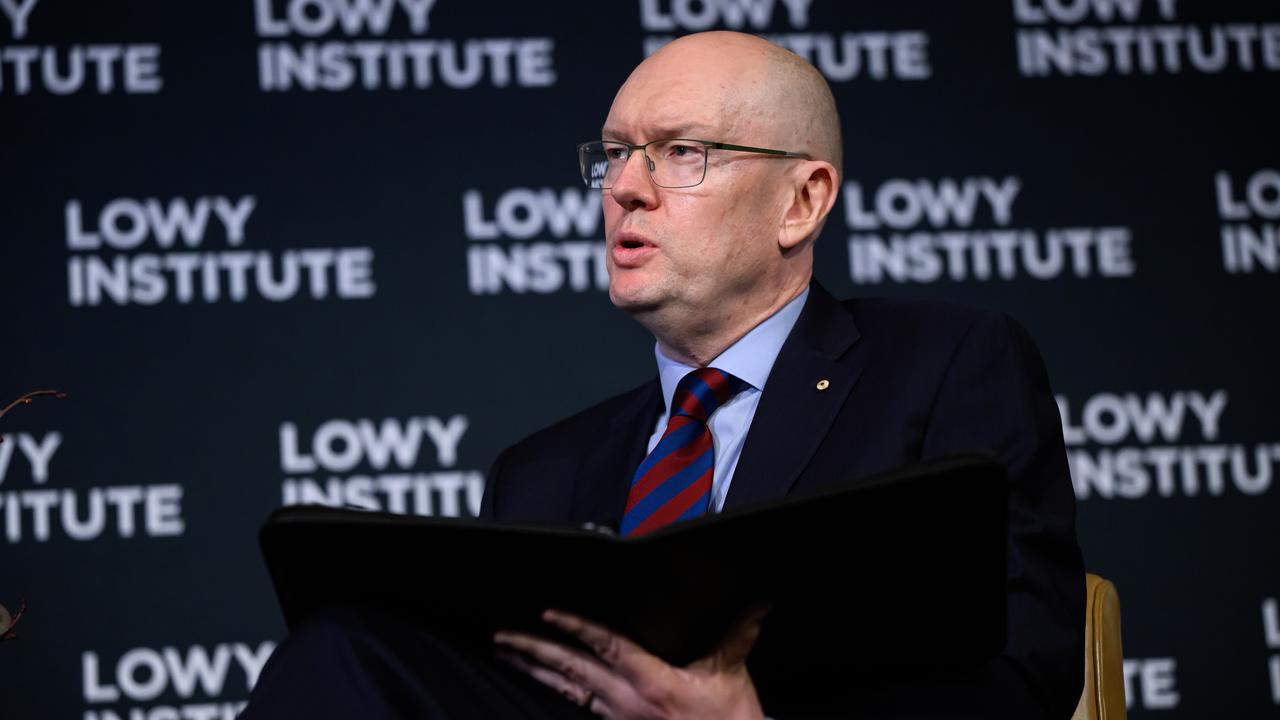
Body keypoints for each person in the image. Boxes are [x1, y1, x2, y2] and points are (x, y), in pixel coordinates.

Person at [243, 30, 1083, 720]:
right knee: (347, 645)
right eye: (614, 154)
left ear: (801, 201)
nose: (624, 188)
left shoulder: (942, 364)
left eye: (681, 152)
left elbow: (1023, 673)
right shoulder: (539, 472)